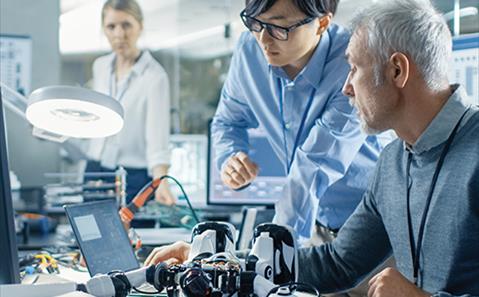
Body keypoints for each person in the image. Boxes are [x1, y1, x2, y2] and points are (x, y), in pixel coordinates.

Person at [144, 0, 479, 296]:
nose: (346, 88)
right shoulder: (393, 162)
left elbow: (313, 168)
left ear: (396, 70)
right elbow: (338, 263)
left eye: (354, 69)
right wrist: (220, 264)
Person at [212, 0, 389, 244]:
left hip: (373, 228)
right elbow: (228, 121)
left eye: (278, 27)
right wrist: (230, 157)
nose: (263, 39)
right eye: (255, 23)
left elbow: (315, 163)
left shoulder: (353, 61)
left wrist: (275, 245)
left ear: (322, 23)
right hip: (316, 222)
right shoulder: (249, 52)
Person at [85, 0, 174, 205]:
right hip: (95, 169)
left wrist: (161, 182)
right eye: (111, 26)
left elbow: (157, 138)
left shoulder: (154, 76)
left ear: (140, 26)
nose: (119, 34)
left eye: (126, 25)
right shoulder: (100, 67)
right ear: (103, 29)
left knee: (132, 236)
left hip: (133, 177)